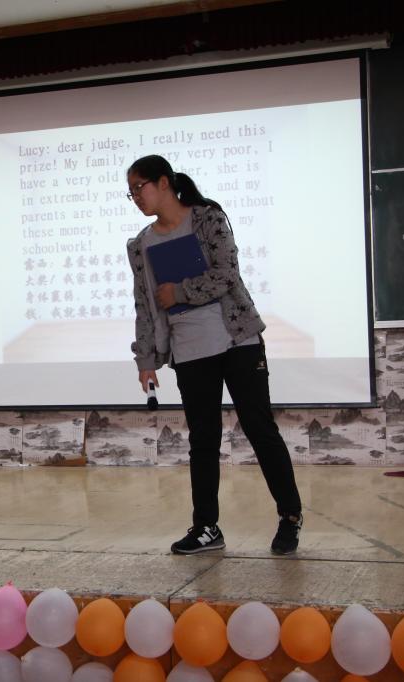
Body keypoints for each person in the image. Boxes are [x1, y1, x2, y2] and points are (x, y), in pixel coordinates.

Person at [125, 154, 302, 555]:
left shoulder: (208, 219)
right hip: (189, 352)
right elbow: (145, 306)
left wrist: (179, 292)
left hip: (237, 342)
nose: (135, 196)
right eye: (130, 191)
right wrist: (146, 360)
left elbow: (226, 274)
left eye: (140, 187)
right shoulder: (140, 245)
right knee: (203, 440)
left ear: (164, 183)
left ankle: (290, 516)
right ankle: (206, 527)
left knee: (260, 429)